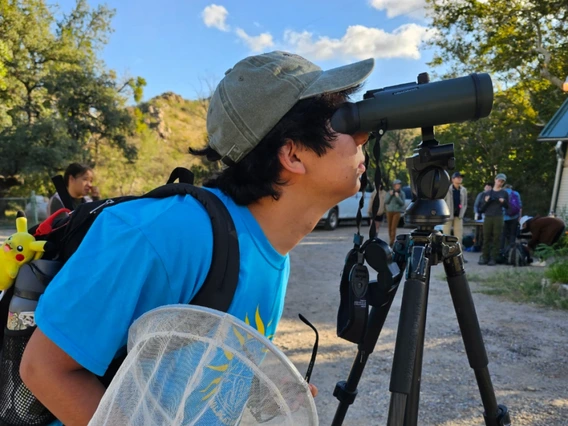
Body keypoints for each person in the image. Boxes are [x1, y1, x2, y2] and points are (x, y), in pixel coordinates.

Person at [20, 51, 375, 425]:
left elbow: (197, 367)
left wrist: (259, 390)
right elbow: (45, 370)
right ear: (292, 153)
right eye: (343, 120)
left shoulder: (270, 249)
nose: (363, 134)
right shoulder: (161, 233)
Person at [478, 173, 509, 265]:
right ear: (495, 180)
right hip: (488, 216)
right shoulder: (487, 193)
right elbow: (481, 209)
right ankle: (484, 256)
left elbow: (508, 206)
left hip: (498, 216)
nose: (500, 183)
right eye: (499, 180)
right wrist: (486, 201)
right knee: (486, 237)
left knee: (497, 237)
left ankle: (493, 257)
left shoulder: (504, 193)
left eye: (502, 181)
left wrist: (503, 202)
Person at [442, 172, 468, 245]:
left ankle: (458, 252)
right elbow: (443, 201)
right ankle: (445, 250)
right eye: (458, 177)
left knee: (459, 236)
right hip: (448, 215)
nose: (460, 179)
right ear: (452, 179)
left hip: (459, 216)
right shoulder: (447, 189)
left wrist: (462, 212)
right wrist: (445, 212)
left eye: (461, 177)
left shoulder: (463, 190)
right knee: (446, 234)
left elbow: (465, 203)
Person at [501, 184, 522, 251]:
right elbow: (520, 206)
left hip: (503, 217)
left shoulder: (502, 193)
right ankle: (511, 250)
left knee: (502, 235)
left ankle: (501, 250)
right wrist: (519, 216)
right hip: (514, 216)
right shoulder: (516, 193)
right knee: (512, 234)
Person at [384, 179, 406, 246]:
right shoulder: (389, 192)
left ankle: (392, 242)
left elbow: (402, 203)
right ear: (394, 186)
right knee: (389, 227)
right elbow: (386, 202)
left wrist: (397, 197)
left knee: (393, 227)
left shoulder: (402, 193)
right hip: (389, 211)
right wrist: (390, 195)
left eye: (399, 185)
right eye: (396, 185)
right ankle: (391, 239)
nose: (398, 186)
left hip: (397, 212)